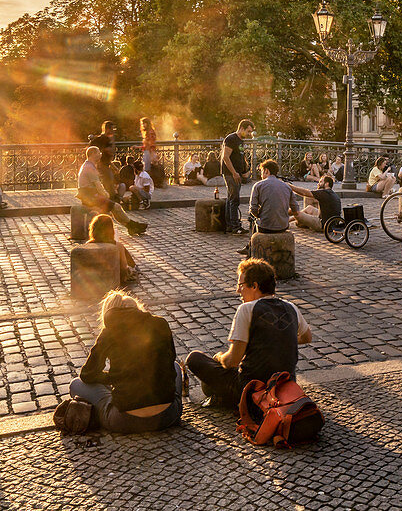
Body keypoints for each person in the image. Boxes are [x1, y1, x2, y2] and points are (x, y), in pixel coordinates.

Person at [185, 259, 311, 407]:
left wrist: (219, 357)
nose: (238, 290)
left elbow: (232, 361)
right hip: (284, 387)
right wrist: (278, 339)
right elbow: (307, 337)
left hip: (251, 389)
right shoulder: (291, 307)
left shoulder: (247, 309)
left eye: (241, 285)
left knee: (194, 358)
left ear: (255, 286)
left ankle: (226, 398)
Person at [69, 290, 181, 432]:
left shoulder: (109, 332)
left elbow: (87, 374)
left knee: (76, 384)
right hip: (167, 416)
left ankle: (108, 407)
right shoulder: (160, 323)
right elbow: (170, 359)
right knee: (176, 367)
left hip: (124, 420)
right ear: (136, 309)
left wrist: (114, 377)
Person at [76, 147, 148, 236]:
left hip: (89, 196)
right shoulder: (90, 168)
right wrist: (107, 195)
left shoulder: (87, 165)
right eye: (98, 153)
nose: (100, 155)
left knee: (115, 207)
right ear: (93, 154)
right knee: (116, 207)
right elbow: (98, 185)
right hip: (91, 197)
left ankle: (131, 226)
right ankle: (132, 226)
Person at [240, 159, 297, 255]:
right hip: (283, 225)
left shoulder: (258, 185)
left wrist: (260, 215)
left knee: (255, 221)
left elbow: (253, 209)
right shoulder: (287, 187)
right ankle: (249, 247)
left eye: (262, 172)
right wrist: (282, 212)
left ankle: (250, 248)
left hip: (265, 227)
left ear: (266, 171)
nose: (261, 175)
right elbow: (296, 209)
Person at [222, 119, 254, 235]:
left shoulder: (241, 140)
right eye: (248, 131)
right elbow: (225, 157)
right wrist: (234, 173)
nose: (250, 134)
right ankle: (235, 226)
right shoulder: (231, 139)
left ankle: (230, 225)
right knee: (234, 199)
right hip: (231, 174)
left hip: (237, 173)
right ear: (242, 129)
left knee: (231, 198)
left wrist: (245, 170)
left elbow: (241, 156)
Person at [87, 214, 137, 282]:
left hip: (94, 281)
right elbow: (123, 268)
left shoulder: (88, 245)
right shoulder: (118, 246)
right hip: (114, 279)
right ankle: (133, 266)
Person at [88, 121, 117, 193]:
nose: (113, 131)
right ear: (108, 129)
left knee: (106, 183)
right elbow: (110, 151)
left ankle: (109, 198)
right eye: (112, 129)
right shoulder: (104, 139)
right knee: (109, 184)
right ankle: (110, 199)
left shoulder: (99, 138)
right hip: (102, 164)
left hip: (102, 164)